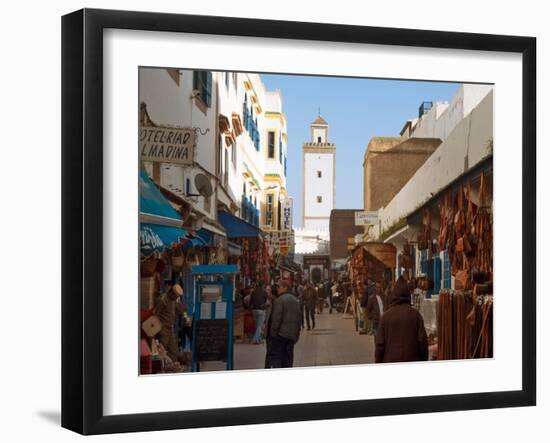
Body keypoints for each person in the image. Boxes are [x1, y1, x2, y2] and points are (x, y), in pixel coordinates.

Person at [375, 277, 429, 363]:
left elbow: (380, 345)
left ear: (394, 294)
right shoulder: (415, 315)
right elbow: (422, 342)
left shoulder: (386, 317)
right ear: (408, 294)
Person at [270, 279, 302, 368]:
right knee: (288, 358)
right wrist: (297, 333)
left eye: (278, 287)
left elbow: (276, 319)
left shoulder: (279, 300)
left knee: (277, 357)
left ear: (285, 288)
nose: (277, 289)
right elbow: (299, 318)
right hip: (291, 335)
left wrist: (273, 333)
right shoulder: (296, 300)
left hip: (280, 335)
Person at [155, 284, 186, 363]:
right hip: (163, 328)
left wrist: (182, 307)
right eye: (175, 296)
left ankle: (172, 367)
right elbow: (156, 315)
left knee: (173, 351)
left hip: (170, 328)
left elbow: (178, 310)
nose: (175, 298)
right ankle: (162, 368)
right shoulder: (162, 300)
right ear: (171, 293)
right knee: (162, 350)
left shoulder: (173, 301)